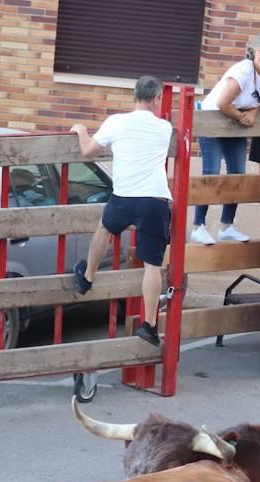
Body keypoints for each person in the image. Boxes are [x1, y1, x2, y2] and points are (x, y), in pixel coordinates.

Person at [70, 75, 173, 349]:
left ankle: (88, 277)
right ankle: (149, 325)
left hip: (124, 196)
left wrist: (81, 130)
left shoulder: (116, 122)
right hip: (154, 199)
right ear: (156, 99)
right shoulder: (165, 128)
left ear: (135, 96)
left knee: (105, 228)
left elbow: (88, 151)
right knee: (153, 265)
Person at [191, 33, 260, 246]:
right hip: (214, 119)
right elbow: (223, 103)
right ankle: (198, 226)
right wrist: (243, 117)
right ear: (253, 51)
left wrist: (254, 113)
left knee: (238, 174)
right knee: (211, 173)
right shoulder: (243, 70)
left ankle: (226, 226)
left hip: (235, 124)